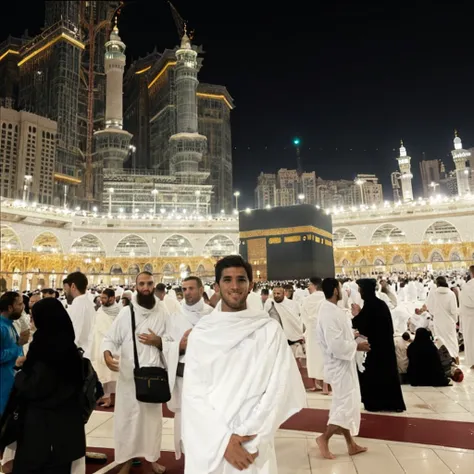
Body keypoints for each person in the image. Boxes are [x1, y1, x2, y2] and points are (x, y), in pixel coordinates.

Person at [181, 256, 306, 473]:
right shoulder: (202, 332)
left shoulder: (268, 330)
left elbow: (278, 388)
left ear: (251, 285)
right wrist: (223, 441)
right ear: (217, 286)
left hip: (252, 440)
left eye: (241, 280)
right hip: (210, 440)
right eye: (227, 280)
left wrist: (248, 435)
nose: (235, 286)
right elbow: (193, 392)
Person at [102, 272, 168, 474]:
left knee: (152, 422)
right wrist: (106, 353)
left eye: (149, 284)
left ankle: (152, 458)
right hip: (130, 376)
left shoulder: (163, 311)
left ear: (154, 285)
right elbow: (111, 338)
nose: (146, 288)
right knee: (127, 420)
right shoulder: (126, 312)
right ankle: (127, 459)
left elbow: (174, 340)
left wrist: (159, 342)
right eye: (142, 284)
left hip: (154, 375)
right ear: (136, 286)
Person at [10, 298, 86, 474]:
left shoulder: (44, 348)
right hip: (67, 423)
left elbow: (36, 386)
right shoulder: (69, 346)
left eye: (33, 317)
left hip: (42, 427)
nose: (31, 321)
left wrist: (20, 374)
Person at [315, 278, 370, 460]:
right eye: (340, 288)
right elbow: (336, 345)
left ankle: (350, 444)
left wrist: (352, 334)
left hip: (343, 364)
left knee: (346, 402)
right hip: (338, 365)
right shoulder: (329, 313)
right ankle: (324, 438)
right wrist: (357, 346)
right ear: (336, 291)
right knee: (345, 404)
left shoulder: (332, 310)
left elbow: (339, 335)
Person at [162, 276, 213, 459]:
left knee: (206, 419)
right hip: (183, 375)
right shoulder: (175, 316)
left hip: (207, 377)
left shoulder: (212, 315)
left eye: (191, 288)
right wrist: (180, 347)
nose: (187, 293)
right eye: (184, 289)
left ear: (201, 290)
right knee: (185, 418)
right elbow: (166, 343)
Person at [352, 279, 406, 412]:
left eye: (360, 289)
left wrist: (356, 315)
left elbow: (363, 325)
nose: (359, 292)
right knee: (386, 374)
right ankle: (390, 403)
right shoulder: (379, 304)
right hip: (384, 347)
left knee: (375, 374)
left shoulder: (371, 305)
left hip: (377, 349)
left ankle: (376, 403)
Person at [92, 289, 121, 408]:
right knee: (102, 372)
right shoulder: (100, 311)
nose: (101, 300)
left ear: (112, 298)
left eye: (104, 298)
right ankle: (103, 396)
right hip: (100, 345)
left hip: (115, 345)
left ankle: (113, 399)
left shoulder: (120, 312)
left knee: (113, 375)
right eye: (101, 297)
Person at [300, 277, 328, 393]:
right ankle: (325, 386)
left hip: (312, 331)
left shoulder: (307, 300)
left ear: (314, 285)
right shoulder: (326, 298)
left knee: (313, 358)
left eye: (310, 284)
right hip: (324, 330)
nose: (308, 287)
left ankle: (318, 384)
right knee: (324, 357)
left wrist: (308, 327)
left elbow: (304, 316)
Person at [0, 292, 26, 415]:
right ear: (10, 308)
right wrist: (16, 348)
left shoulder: (10, 325)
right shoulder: (1, 327)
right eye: (20, 304)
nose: (23, 307)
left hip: (10, 382)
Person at [426, 276, 459, 362]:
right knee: (452, 339)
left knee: (440, 340)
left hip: (438, 320)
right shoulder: (451, 294)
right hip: (449, 321)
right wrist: (455, 320)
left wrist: (435, 314)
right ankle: (455, 357)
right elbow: (454, 310)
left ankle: (444, 360)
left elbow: (429, 306)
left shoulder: (434, 293)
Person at [64, 272, 95, 359]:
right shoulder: (88, 303)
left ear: (73, 286)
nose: (65, 293)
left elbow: (74, 335)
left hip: (79, 355)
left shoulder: (78, 305)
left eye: (66, 289)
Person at [460, 266, 474, 369]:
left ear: (470, 273)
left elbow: (463, 307)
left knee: (471, 339)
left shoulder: (466, 288)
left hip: (470, 318)